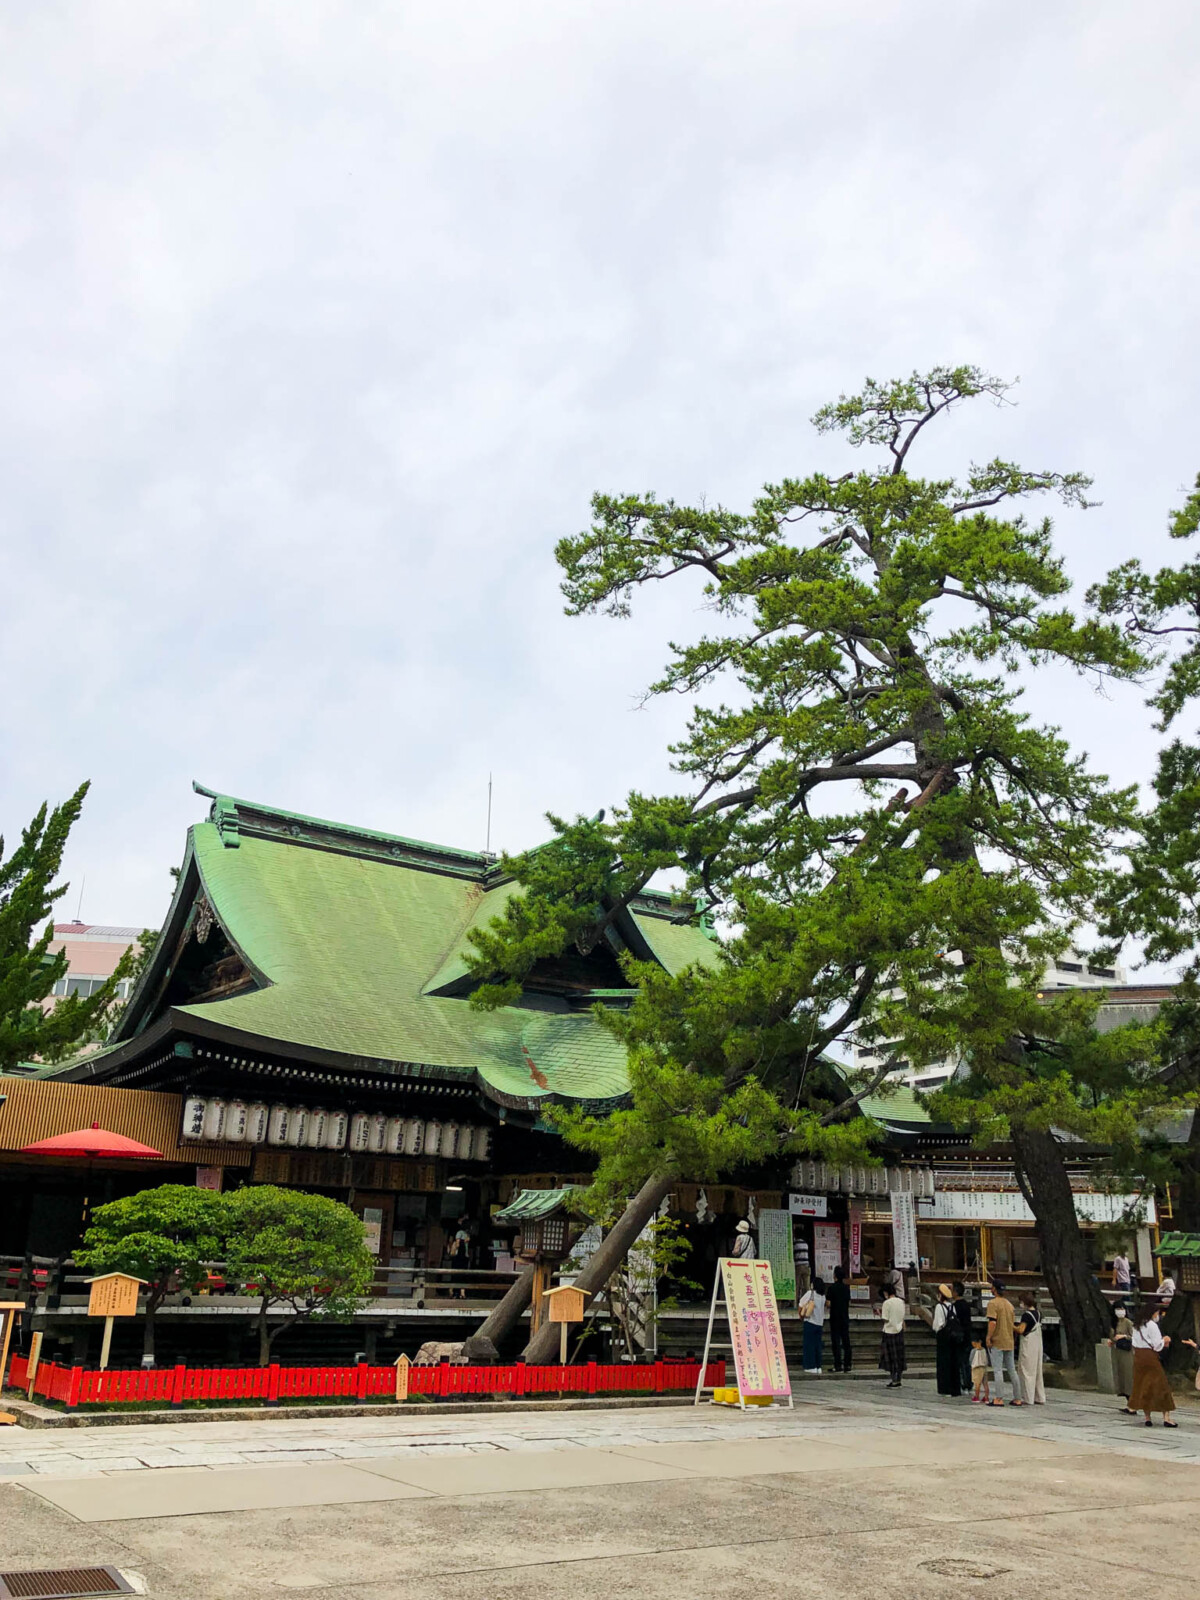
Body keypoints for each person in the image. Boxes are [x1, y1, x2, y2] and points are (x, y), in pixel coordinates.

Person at [1130, 1303, 1177, 1426]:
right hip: (1150, 1357)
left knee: (1143, 1385)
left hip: (1138, 1357)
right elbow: (1157, 1345)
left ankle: (1147, 1417)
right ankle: (1166, 1418)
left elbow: (1134, 1342)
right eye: (1157, 1313)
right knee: (1161, 1385)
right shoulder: (1152, 1325)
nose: (1158, 1315)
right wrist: (1165, 1340)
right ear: (1153, 1313)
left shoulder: (1136, 1325)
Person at [985, 1281, 1024, 1406]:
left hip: (998, 1339)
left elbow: (992, 1322)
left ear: (994, 1289)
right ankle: (1018, 1397)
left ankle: (999, 1398)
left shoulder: (993, 1303)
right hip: (1009, 1339)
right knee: (1012, 1369)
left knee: (998, 1370)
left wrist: (988, 1337)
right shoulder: (1009, 1305)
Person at [931, 1283, 963, 1397]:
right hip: (953, 1337)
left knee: (943, 1364)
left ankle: (945, 1388)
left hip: (943, 1337)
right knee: (953, 1363)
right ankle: (955, 1388)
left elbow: (937, 1325)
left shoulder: (939, 1307)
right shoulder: (952, 1306)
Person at [1015, 1292, 1045, 1404]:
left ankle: (1028, 1397)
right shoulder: (1038, 1313)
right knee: (1037, 1370)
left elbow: (1021, 1330)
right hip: (1037, 1343)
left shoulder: (1026, 1315)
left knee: (1026, 1370)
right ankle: (1039, 1396)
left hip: (1028, 1343)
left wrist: (1011, 1325)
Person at [878, 1283, 906, 1388]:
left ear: (886, 1293)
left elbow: (885, 1319)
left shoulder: (886, 1303)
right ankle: (899, 1379)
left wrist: (879, 1313)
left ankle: (893, 1379)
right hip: (899, 1330)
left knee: (890, 1358)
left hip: (889, 1331)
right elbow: (902, 1316)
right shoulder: (901, 1302)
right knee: (899, 1356)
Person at [798, 1275, 827, 1373]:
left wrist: (801, 1316)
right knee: (817, 1346)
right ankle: (818, 1366)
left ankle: (810, 1366)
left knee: (809, 1345)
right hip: (819, 1323)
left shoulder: (810, 1293)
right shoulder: (823, 1296)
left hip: (810, 1322)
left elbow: (801, 1304)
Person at [1109, 1302, 1135, 1412]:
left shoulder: (1128, 1322)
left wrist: (1124, 1336)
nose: (1120, 1311)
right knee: (1121, 1378)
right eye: (1118, 1309)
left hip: (1127, 1352)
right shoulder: (1113, 1323)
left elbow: (1134, 1335)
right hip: (1117, 1351)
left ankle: (1133, 1404)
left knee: (1128, 1377)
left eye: (1122, 1309)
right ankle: (1129, 1404)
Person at [828, 1264, 852, 1373]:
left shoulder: (832, 1288)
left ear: (835, 1276)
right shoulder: (846, 1288)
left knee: (836, 1342)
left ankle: (838, 1365)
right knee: (846, 1341)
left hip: (834, 1317)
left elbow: (828, 1303)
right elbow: (848, 1301)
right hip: (844, 1317)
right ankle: (848, 1364)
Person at [952, 1281, 974, 1393]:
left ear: (956, 1292)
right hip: (967, 1335)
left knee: (961, 1362)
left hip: (959, 1336)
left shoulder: (955, 1306)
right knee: (966, 1362)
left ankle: (964, 1383)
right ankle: (968, 1382)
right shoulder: (966, 1305)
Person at [970, 1337, 991, 1404]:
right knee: (985, 1383)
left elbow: (971, 1359)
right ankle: (986, 1397)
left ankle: (977, 1396)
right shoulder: (984, 1350)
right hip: (984, 1367)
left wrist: (971, 1366)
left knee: (977, 1384)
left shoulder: (974, 1351)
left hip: (976, 1368)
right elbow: (987, 1359)